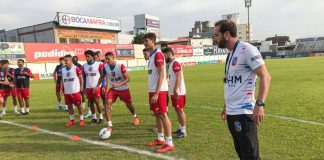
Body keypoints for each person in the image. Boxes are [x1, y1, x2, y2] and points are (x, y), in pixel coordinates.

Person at [214, 20, 271, 160]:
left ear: (226, 34)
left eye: (217, 35)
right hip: (232, 113)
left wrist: (259, 104)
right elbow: (230, 82)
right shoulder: (230, 55)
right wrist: (226, 105)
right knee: (242, 154)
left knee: (250, 156)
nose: (215, 39)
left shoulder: (247, 50)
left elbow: (265, 77)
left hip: (244, 114)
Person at [142, 33, 175, 153]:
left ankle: (169, 142)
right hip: (153, 90)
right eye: (144, 41)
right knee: (157, 114)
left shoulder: (158, 54)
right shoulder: (151, 55)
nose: (145, 43)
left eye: (146, 41)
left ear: (153, 41)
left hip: (159, 91)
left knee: (163, 114)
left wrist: (156, 93)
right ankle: (160, 138)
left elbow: (162, 74)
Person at [95, 52, 140, 132]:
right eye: (106, 59)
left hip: (123, 89)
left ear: (113, 58)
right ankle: (109, 125)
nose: (107, 61)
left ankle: (135, 116)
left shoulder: (120, 65)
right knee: (107, 104)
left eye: (108, 59)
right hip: (113, 89)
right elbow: (102, 76)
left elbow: (128, 79)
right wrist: (97, 86)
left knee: (129, 105)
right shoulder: (105, 67)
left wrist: (119, 84)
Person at [162, 48, 187, 138]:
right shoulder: (172, 63)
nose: (164, 58)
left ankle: (183, 131)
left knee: (180, 110)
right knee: (177, 110)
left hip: (178, 92)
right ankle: (181, 128)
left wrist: (176, 89)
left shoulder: (175, 62)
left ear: (169, 54)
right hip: (174, 91)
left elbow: (179, 76)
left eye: (164, 55)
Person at [60, 55, 85, 127]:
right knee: (70, 106)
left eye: (66, 60)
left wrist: (81, 87)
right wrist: (61, 89)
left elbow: (81, 78)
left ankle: (81, 120)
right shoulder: (63, 69)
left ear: (70, 61)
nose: (64, 62)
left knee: (79, 106)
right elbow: (62, 79)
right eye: (64, 60)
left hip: (75, 91)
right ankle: (72, 120)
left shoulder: (76, 68)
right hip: (67, 92)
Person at [83, 50, 104, 124]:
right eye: (86, 57)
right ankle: (94, 118)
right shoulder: (84, 65)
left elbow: (102, 76)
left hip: (96, 86)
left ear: (92, 57)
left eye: (88, 56)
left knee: (97, 101)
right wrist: (84, 87)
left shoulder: (99, 64)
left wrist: (103, 86)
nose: (87, 58)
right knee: (91, 102)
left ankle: (101, 117)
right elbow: (84, 77)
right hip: (88, 87)